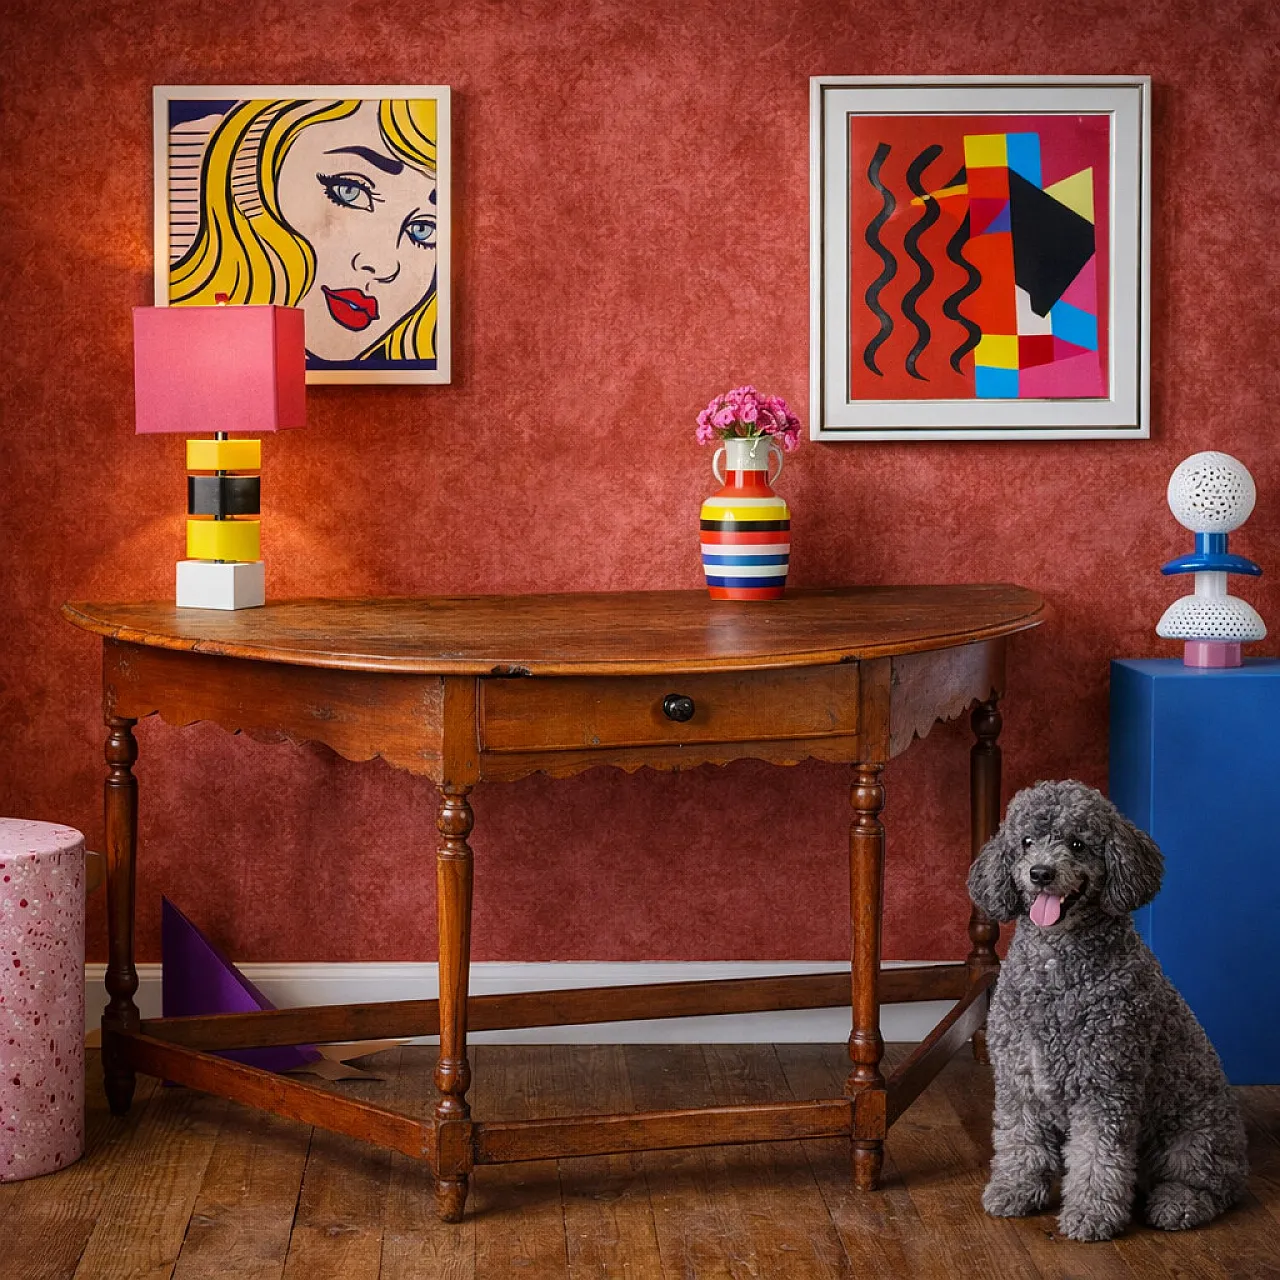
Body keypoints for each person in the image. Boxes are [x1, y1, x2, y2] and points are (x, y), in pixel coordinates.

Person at [168, 97, 440, 369]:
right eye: (349, 191)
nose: (383, 266)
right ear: (253, 183)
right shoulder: (191, 347)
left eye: (422, 230)